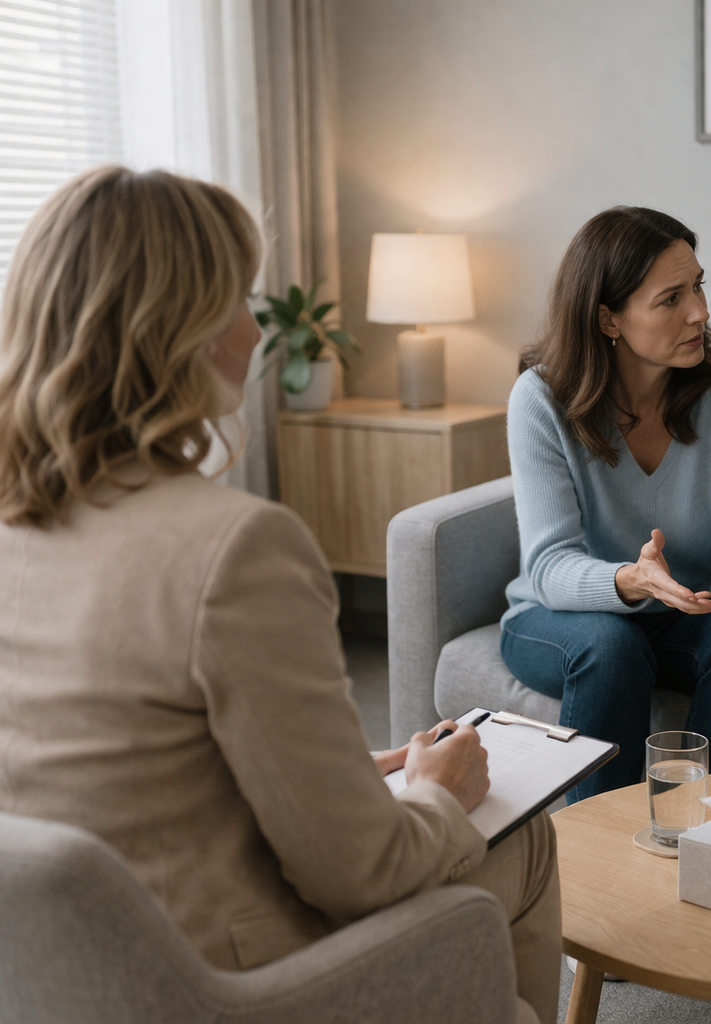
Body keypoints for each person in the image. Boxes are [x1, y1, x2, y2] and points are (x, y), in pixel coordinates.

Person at [0, 166, 559, 1024]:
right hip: (224, 982)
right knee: (524, 833)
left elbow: (107, 763)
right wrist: (437, 793)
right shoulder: (234, 548)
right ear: (180, 329)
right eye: (241, 299)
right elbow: (359, 873)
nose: (253, 331)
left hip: (55, 974)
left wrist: (343, 774)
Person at [501, 206, 711, 802]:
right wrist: (631, 581)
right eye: (670, 299)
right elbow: (550, 566)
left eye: (699, 285)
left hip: (684, 610)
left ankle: (707, 831)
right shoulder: (541, 399)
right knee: (613, 646)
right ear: (609, 317)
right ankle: (591, 851)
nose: (700, 313)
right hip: (560, 617)